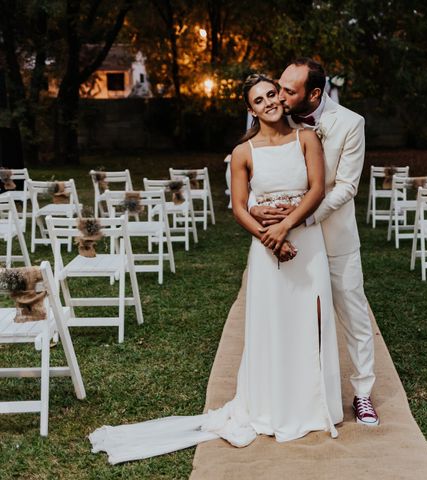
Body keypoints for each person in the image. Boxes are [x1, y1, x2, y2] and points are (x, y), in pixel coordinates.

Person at [89, 74, 342, 464]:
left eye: (272, 94)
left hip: (304, 242)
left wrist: (285, 226)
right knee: (272, 323)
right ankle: (272, 404)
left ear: (281, 97)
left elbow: (317, 190)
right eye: (259, 100)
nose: (269, 102)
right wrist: (268, 235)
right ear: (251, 110)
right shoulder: (243, 151)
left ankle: (308, 406)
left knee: (308, 322)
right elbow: (240, 207)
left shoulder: (306, 139)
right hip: (265, 247)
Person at [250, 58, 379, 425]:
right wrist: (260, 210)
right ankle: (303, 395)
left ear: (315, 94)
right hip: (291, 242)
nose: (280, 97)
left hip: (333, 237)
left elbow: (347, 187)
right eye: (279, 88)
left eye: (289, 91)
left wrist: (302, 217)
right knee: (296, 320)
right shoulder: (280, 117)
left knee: (353, 317)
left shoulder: (351, 124)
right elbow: (261, 171)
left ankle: (363, 393)